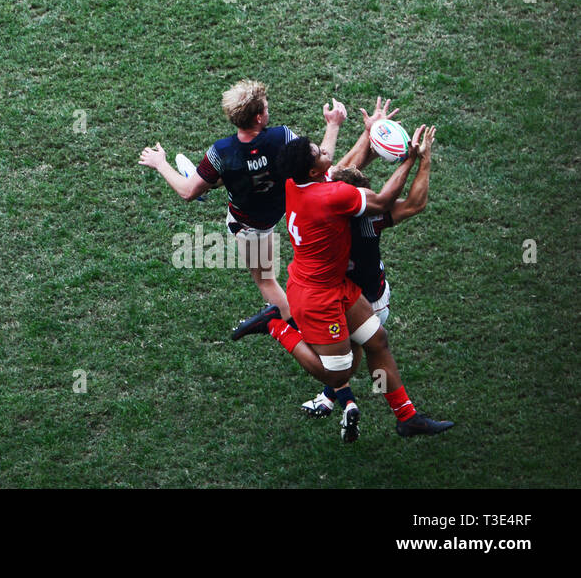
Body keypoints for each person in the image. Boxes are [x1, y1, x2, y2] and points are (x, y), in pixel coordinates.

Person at [257, 124, 453, 441]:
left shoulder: (294, 184)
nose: (325, 152)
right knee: (340, 372)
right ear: (313, 170)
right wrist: (411, 158)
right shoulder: (340, 203)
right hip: (317, 297)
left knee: (378, 341)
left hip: (332, 285)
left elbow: (337, 169)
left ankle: (407, 418)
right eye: (319, 153)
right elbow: (388, 198)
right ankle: (276, 326)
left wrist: (364, 137)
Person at [138, 80, 345, 328]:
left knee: (266, 281)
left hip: (249, 226)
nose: (269, 111)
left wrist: (160, 162)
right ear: (258, 118)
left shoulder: (222, 151)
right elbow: (323, 158)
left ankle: (300, 331)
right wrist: (333, 124)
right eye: (266, 109)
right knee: (242, 172)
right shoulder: (282, 136)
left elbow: (187, 193)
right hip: (280, 207)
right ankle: (213, 179)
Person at [299, 105, 434, 417]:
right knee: (361, 350)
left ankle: (331, 396)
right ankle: (340, 396)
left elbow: (337, 172)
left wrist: (369, 134)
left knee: (354, 350)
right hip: (370, 296)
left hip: (342, 295)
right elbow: (413, 204)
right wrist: (420, 161)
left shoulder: (317, 210)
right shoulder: (371, 219)